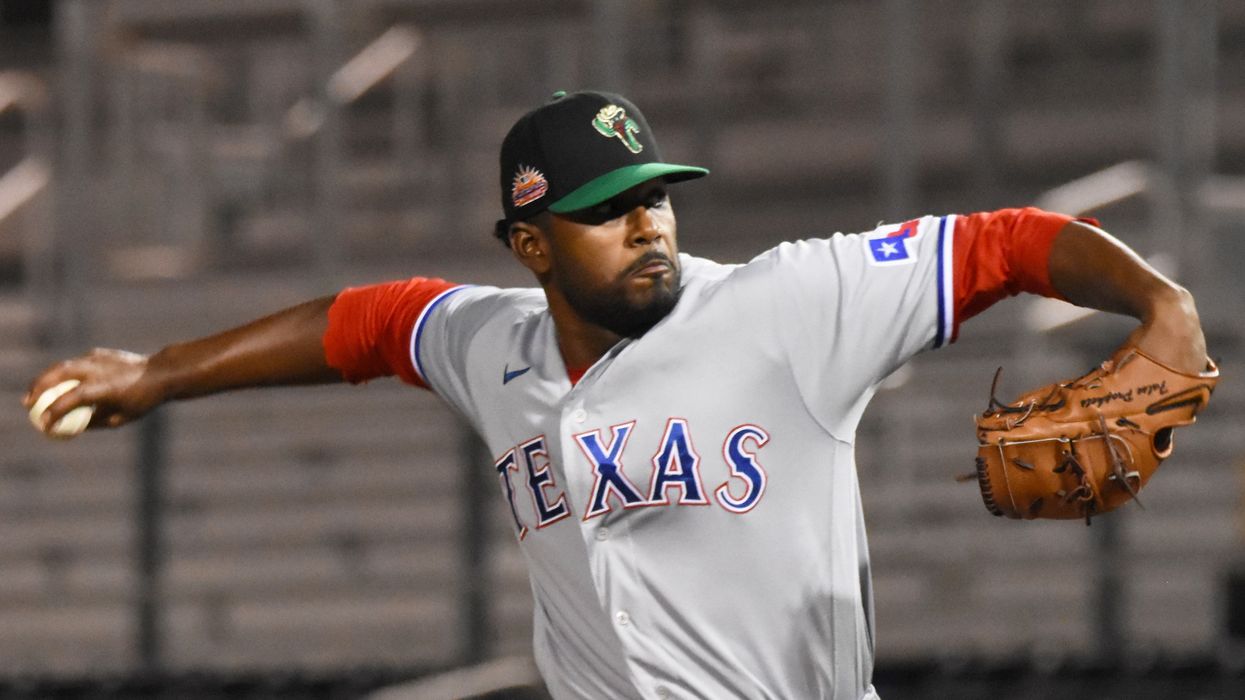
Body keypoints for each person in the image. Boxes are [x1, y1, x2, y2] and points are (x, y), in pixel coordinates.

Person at [25, 90, 1209, 699]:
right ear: (531, 244)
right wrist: (159, 373)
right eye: (605, 208)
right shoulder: (492, 347)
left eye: (655, 195)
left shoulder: (784, 305)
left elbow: (1008, 242)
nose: (646, 221)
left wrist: (1166, 312)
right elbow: (369, 322)